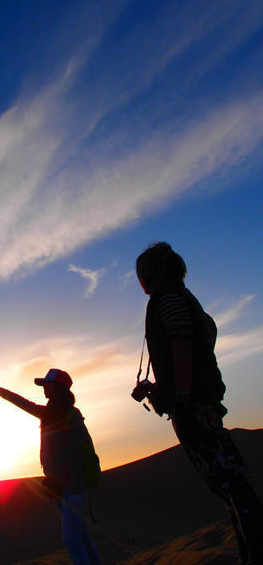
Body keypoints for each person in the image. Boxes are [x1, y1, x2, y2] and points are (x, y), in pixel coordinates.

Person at [134, 241, 263, 565]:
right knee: (233, 487)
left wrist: (181, 396)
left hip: (194, 410)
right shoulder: (181, 298)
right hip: (200, 405)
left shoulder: (169, 299)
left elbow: (181, 344)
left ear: (150, 274)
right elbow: (204, 331)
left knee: (236, 488)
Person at [0, 368, 101, 565]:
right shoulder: (67, 413)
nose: (44, 387)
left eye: (47, 384)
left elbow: (22, 403)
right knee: (82, 538)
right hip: (67, 488)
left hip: (69, 489)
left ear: (58, 388)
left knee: (72, 541)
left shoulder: (56, 414)